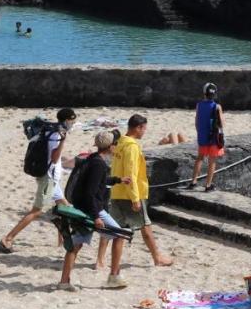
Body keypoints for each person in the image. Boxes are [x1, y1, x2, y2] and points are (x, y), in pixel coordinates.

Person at [100, 114, 173, 285]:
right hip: (129, 193)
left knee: (117, 231)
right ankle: (157, 257)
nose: (144, 132)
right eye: (144, 129)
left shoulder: (119, 143)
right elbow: (131, 173)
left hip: (117, 192)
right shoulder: (132, 146)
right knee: (145, 226)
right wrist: (135, 198)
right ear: (138, 127)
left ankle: (107, 267)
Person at [56, 131, 129, 291]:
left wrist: (118, 180)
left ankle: (64, 282)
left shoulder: (92, 159)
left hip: (82, 207)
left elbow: (98, 182)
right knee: (120, 235)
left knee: (75, 245)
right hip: (92, 209)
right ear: (110, 146)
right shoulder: (99, 164)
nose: (115, 146)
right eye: (115, 144)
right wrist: (96, 217)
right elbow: (90, 192)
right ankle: (114, 277)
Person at [0, 108, 77, 252]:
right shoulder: (56, 135)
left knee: (65, 208)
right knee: (36, 211)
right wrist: (62, 142)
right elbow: (54, 158)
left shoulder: (49, 131)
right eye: (72, 121)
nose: (73, 124)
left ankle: (61, 242)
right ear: (67, 120)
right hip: (48, 178)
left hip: (50, 177)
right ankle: (8, 238)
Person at [188, 82, 225, 191]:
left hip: (202, 136)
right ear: (215, 94)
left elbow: (197, 122)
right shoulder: (217, 106)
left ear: (204, 93)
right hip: (213, 137)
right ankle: (208, 185)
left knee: (200, 158)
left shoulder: (199, 105)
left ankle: (193, 182)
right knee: (212, 160)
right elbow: (222, 124)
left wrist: (200, 133)